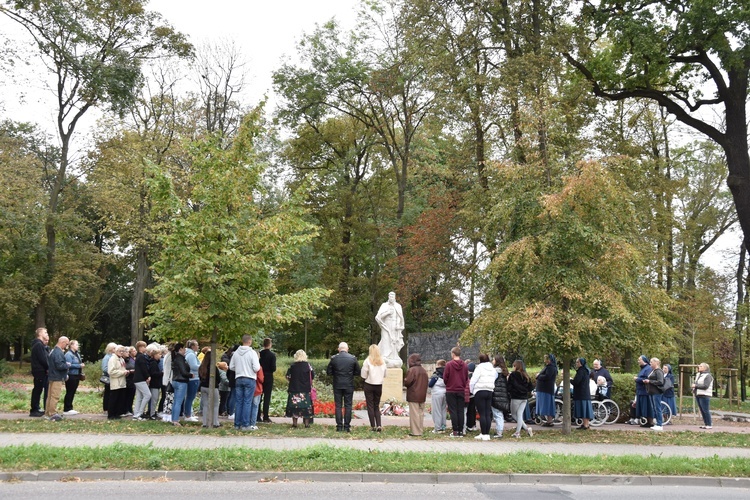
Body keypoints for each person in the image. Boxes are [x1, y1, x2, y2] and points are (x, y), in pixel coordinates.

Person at [229, 334, 260, 431]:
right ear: (250, 341)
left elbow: (231, 367)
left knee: (238, 402)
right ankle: (246, 425)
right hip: (249, 378)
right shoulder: (252, 353)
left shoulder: (236, 353)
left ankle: (237, 424)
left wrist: (239, 369)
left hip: (238, 378)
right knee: (247, 402)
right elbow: (256, 368)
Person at [326, 341, 360, 432]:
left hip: (337, 384)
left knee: (338, 406)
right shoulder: (352, 358)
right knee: (348, 405)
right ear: (347, 349)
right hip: (349, 384)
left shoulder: (334, 358)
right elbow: (358, 372)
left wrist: (336, 374)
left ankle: (339, 426)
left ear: (338, 349)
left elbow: (328, 372)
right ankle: (347, 426)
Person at [470, 353, 497, 441]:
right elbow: (495, 377)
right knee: (487, 413)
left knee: (482, 414)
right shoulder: (492, 369)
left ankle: (483, 433)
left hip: (480, 390)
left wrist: (472, 390)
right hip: (489, 390)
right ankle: (487, 434)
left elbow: (473, 380)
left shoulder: (479, 368)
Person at [443, 347, 469, 437]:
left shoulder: (449, 365)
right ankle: (461, 431)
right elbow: (466, 378)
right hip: (461, 390)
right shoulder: (465, 365)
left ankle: (455, 431)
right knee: (460, 411)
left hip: (451, 389)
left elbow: (445, 377)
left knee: (453, 411)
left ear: (453, 354)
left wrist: (448, 384)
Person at [361, 344, 387, 431]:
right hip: (379, 385)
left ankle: (373, 425)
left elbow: (363, 374)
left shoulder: (367, 361)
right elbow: (385, 374)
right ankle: (379, 424)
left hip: (369, 384)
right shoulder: (382, 362)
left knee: (370, 405)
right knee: (376, 405)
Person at [375, 291, 405, 368]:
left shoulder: (398, 306)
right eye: (390, 296)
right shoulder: (384, 305)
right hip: (386, 326)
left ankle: (394, 357)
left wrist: (398, 325)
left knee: (394, 341)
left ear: (395, 297)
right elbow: (378, 317)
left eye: (393, 296)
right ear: (388, 297)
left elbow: (400, 317)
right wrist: (387, 313)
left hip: (395, 326)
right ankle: (385, 356)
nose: (391, 298)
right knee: (386, 340)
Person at [285, 349, 315, 428]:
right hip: (305, 390)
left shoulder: (293, 366)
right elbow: (312, 376)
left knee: (295, 406)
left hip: (294, 389)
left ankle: (295, 424)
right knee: (306, 407)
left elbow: (288, 376)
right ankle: (307, 424)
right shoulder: (308, 366)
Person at [45, 336, 70, 421]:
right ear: (62, 342)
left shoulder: (53, 351)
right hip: (57, 377)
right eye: (66, 344)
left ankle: (48, 412)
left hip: (52, 376)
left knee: (50, 396)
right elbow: (59, 365)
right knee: (55, 396)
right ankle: (53, 413)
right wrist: (67, 365)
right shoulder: (58, 352)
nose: (66, 346)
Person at [404, 353, 429, 436]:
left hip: (414, 394)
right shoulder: (423, 370)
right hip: (422, 395)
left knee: (414, 414)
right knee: (421, 413)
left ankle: (415, 432)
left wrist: (405, 380)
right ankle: (420, 430)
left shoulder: (412, 370)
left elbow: (408, 382)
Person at [508, 359, 534, 438]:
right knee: (519, 414)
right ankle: (519, 431)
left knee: (514, 414)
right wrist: (525, 391)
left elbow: (509, 387)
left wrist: (512, 392)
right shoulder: (526, 375)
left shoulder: (513, 375)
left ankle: (523, 430)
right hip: (524, 398)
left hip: (515, 397)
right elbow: (531, 387)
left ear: (515, 366)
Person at [29, 327, 50, 417]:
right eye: (45, 332)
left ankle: (36, 408)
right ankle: (34, 409)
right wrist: (48, 367)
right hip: (39, 371)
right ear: (40, 334)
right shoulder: (38, 345)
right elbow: (43, 359)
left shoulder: (40, 345)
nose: (46, 334)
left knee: (38, 389)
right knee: (37, 390)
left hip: (40, 370)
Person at [170, 342, 191, 426]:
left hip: (175, 380)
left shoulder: (175, 358)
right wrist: (190, 375)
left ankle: (173, 418)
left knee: (176, 401)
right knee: (179, 402)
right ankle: (175, 420)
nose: (185, 350)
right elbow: (183, 371)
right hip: (181, 381)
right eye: (184, 349)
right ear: (180, 349)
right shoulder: (180, 359)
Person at [199, 349, 221, 428]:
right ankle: (215, 422)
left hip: (203, 387)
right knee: (215, 405)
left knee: (205, 405)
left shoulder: (202, 366)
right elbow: (218, 378)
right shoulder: (213, 367)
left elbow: (200, 377)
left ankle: (205, 422)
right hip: (213, 387)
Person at [490, 355, 510, 439]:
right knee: (499, 414)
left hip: (496, 395)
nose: (492, 361)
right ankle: (499, 431)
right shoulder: (504, 371)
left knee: (497, 414)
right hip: (503, 395)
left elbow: (492, 381)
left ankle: (499, 432)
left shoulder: (495, 371)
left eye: (494, 360)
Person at [535, 353, 558, 427]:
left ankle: (550, 420)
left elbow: (547, 377)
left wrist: (538, 376)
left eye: (546, 358)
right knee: (547, 405)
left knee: (548, 405)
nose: (544, 360)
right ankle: (548, 420)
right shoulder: (548, 367)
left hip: (546, 390)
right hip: (544, 389)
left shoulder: (551, 367)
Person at [63, 339, 85, 415]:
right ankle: (66, 408)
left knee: (73, 391)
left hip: (77, 375)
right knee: (69, 391)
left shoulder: (77, 354)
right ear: (71, 345)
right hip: (71, 375)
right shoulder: (68, 354)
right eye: (76, 344)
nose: (77, 346)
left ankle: (70, 407)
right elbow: (69, 365)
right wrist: (79, 365)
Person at [108, 346, 129, 420]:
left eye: (123, 351)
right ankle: (111, 414)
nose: (121, 352)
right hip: (116, 382)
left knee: (120, 398)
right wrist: (122, 372)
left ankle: (117, 413)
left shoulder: (121, 359)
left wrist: (126, 372)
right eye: (120, 351)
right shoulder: (112, 359)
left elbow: (123, 368)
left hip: (122, 382)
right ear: (116, 351)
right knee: (114, 398)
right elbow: (111, 371)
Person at [258, 337, 276, 423]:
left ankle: (257, 415)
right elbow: (273, 368)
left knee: (259, 395)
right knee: (267, 397)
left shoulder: (259, 354)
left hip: (260, 375)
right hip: (268, 376)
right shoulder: (272, 355)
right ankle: (265, 416)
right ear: (270, 345)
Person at [572, 358, 593, 430]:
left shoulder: (581, 371)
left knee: (583, 409)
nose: (576, 364)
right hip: (585, 393)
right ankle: (585, 424)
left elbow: (576, 381)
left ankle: (585, 425)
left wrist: (570, 380)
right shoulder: (586, 371)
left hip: (581, 393)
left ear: (581, 363)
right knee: (585, 410)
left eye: (577, 362)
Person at [692, 362, 714, 429]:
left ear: (705, 368)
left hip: (705, 395)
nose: (699, 367)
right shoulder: (698, 374)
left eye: (701, 366)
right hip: (698, 394)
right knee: (702, 410)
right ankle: (706, 423)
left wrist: (696, 386)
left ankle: (709, 424)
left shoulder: (708, 376)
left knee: (705, 410)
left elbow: (705, 386)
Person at [133, 341, 151, 420]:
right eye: (144, 347)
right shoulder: (141, 357)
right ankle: (140, 413)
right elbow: (143, 368)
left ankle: (136, 413)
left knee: (139, 397)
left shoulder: (138, 356)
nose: (145, 348)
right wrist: (147, 376)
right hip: (140, 379)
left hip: (137, 379)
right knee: (148, 395)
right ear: (140, 347)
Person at [183, 340, 201, 422]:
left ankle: (189, 413)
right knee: (190, 397)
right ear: (193, 346)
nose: (198, 347)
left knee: (190, 397)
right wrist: (201, 366)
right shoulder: (191, 355)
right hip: (193, 378)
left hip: (192, 378)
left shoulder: (189, 354)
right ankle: (188, 415)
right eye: (197, 345)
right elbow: (194, 366)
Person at [634, 355, 653, 427]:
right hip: (641, 391)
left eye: (639, 360)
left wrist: (637, 379)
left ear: (644, 360)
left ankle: (650, 422)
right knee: (643, 407)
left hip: (645, 391)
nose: (638, 361)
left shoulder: (648, 369)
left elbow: (646, 379)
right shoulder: (643, 369)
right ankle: (647, 422)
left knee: (647, 407)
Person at [429, 359, 447, 433]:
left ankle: (437, 428)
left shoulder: (436, 374)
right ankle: (443, 426)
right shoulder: (447, 373)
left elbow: (430, 384)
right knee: (443, 410)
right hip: (444, 393)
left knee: (436, 411)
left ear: (439, 365)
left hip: (436, 393)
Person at [147, 344, 163, 420]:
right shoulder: (153, 363)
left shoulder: (155, 362)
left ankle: (152, 412)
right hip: (154, 383)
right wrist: (161, 373)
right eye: (159, 354)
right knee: (154, 399)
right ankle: (152, 413)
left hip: (156, 383)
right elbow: (153, 373)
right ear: (155, 355)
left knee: (155, 399)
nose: (160, 356)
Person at [100, 342, 117, 414]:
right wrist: (112, 371)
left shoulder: (114, 357)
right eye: (114, 348)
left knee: (111, 393)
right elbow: (104, 368)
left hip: (113, 377)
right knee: (107, 393)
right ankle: (106, 408)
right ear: (110, 349)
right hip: (108, 378)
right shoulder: (107, 357)